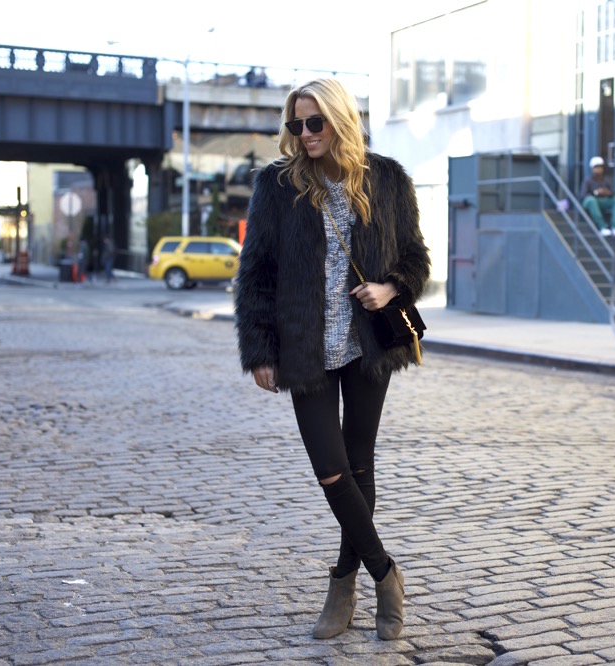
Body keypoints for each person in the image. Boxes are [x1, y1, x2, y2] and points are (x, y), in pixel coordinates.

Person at [235, 78, 430, 641]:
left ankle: (342, 583)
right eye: (296, 124)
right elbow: (255, 274)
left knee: (360, 465)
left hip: (366, 343)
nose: (304, 134)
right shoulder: (277, 184)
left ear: (340, 120)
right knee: (331, 470)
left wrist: (390, 288)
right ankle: (385, 574)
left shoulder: (387, 178)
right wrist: (260, 350)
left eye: (314, 123)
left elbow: (415, 258)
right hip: (304, 347)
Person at [580, 156, 615, 237]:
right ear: (592, 169)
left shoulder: (606, 180)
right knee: (591, 200)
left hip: (602, 201)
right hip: (590, 202)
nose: (598, 169)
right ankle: (602, 226)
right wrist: (596, 192)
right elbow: (583, 195)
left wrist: (607, 193)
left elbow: (613, 193)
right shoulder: (588, 180)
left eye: (600, 167)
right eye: (596, 167)